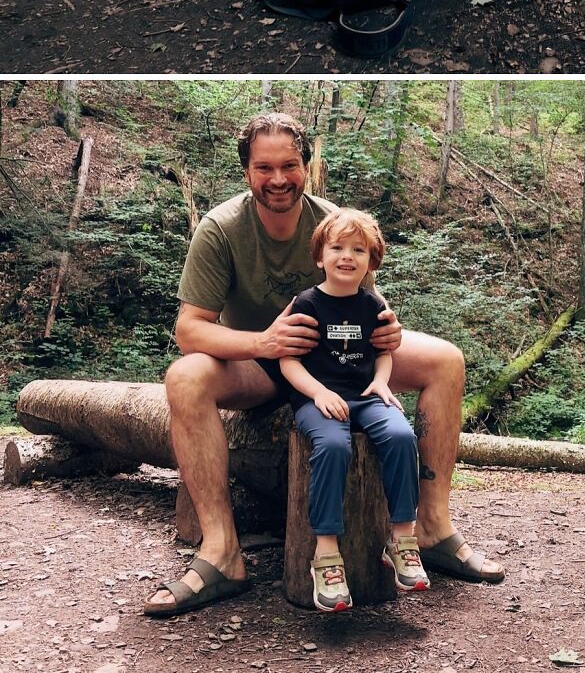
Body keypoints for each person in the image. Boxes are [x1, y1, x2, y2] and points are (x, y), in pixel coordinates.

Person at [143, 110, 506, 619]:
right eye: (263, 167)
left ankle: (432, 529)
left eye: (289, 165)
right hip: (259, 361)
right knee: (184, 376)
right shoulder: (221, 228)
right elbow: (190, 330)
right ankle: (222, 552)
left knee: (446, 360)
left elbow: (369, 311)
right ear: (246, 171)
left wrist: (391, 333)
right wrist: (265, 341)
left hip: (341, 360)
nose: (277, 179)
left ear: (307, 166)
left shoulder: (331, 219)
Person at [279, 206, 429, 612]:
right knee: (334, 447)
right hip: (317, 398)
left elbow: (384, 351)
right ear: (319, 256)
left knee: (400, 436)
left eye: (359, 250)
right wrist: (317, 393)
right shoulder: (306, 304)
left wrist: (381, 381)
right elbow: (288, 359)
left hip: (366, 394)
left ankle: (401, 538)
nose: (347, 256)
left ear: (371, 260)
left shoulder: (372, 304)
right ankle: (325, 555)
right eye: (337, 247)